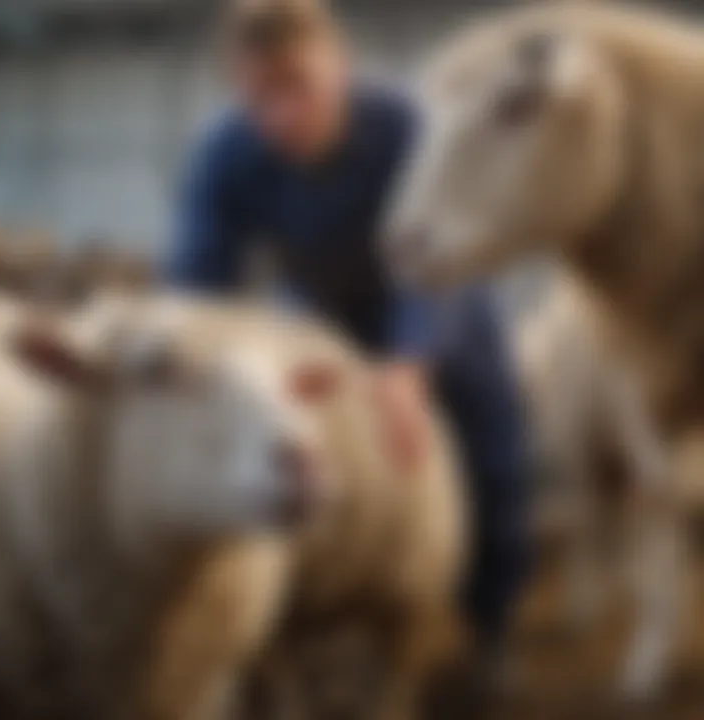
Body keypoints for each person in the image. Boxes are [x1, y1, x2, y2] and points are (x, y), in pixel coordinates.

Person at [168, 0, 530, 673]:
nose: (279, 117)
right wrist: (194, 366)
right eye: (256, 97)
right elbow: (200, 285)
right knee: (306, 463)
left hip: (443, 303)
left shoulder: (407, 125)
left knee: (489, 463)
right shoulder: (226, 152)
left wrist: (409, 359)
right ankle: (321, 620)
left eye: (296, 88)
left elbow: (432, 252)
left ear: (340, 68)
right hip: (323, 317)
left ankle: (490, 629)